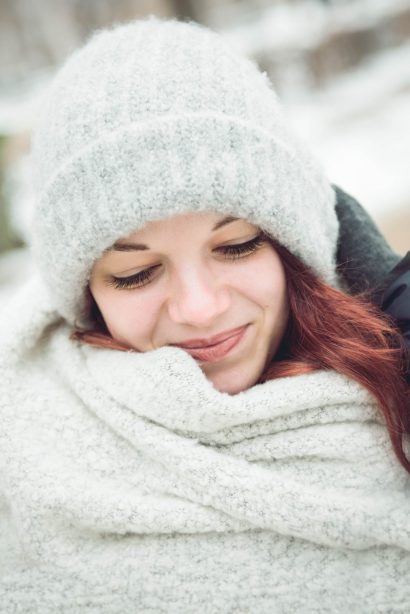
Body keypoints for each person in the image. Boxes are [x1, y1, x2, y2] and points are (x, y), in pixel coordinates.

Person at [0, 16, 409, 613]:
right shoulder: (24, 461)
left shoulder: (392, 372)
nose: (200, 308)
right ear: (88, 295)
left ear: (293, 246)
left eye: (236, 245)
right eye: (136, 273)